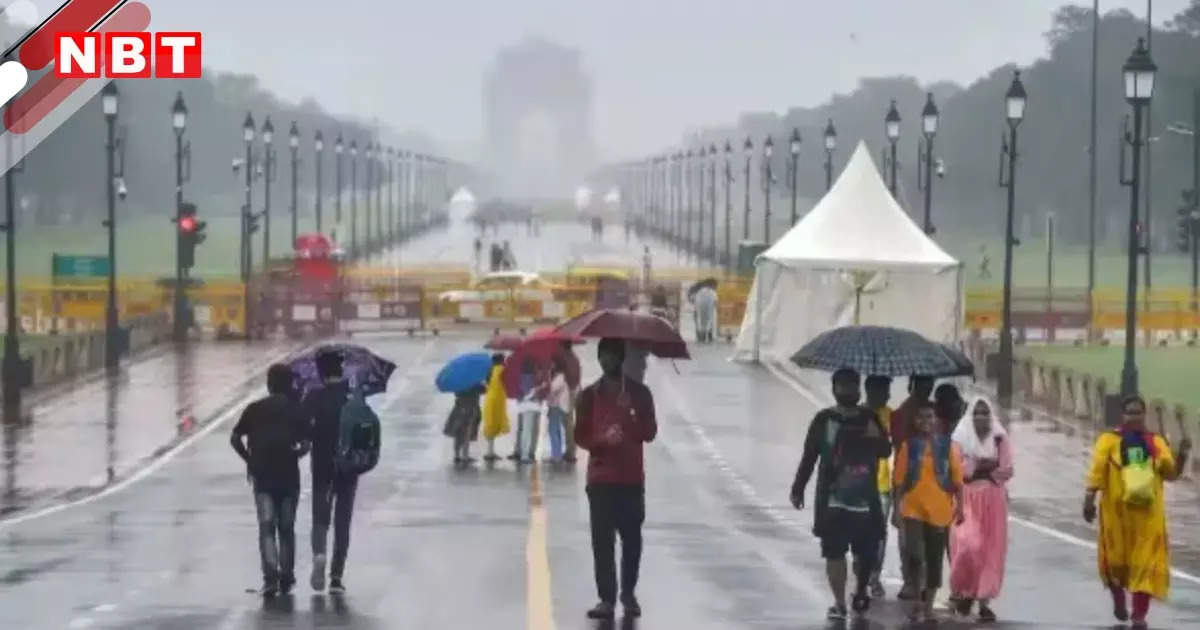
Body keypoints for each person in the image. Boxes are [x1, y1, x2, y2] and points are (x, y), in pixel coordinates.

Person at [790, 368, 891, 620]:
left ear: (860, 389)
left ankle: (859, 590)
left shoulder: (870, 418)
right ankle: (839, 602)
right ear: (834, 389)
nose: (849, 390)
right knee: (834, 552)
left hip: (866, 501)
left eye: (853, 386)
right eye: (844, 386)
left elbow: (885, 451)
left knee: (865, 553)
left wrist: (874, 436)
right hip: (832, 502)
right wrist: (798, 486)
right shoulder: (823, 420)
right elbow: (809, 456)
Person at [1083, 394, 1191, 629]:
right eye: (1130, 412)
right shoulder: (1108, 441)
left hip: (1148, 516)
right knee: (1114, 561)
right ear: (1122, 415)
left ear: (1145, 415)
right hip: (1115, 514)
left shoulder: (1155, 442)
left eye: (1138, 412)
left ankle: (1139, 614)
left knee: (1147, 563)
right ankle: (1119, 600)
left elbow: (1171, 474)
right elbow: (1097, 472)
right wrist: (1089, 498)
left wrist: (1182, 456)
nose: (1134, 417)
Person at [575, 338, 658, 620]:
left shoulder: (640, 393)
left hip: (631, 480)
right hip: (600, 479)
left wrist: (630, 418)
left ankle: (628, 594)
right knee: (602, 542)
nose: (606, 361)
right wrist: (603, 439)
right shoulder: (588, 395)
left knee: (632, 541)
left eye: (611, 356)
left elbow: (650, 432)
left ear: (621, 359)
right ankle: (606, 599)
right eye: (602, 356)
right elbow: (580, 435)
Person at [230, 364, 310, 597]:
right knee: (286, 528)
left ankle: (270, 578)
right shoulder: (296, 410)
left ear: (269, 384)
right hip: (288, 476)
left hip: (262, 475)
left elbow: (235, 438)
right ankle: (287, 575)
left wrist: (249, 459)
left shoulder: (254, 409)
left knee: (267, 527)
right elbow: (306, 444)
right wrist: (295, 454)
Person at [892, 402, 965, 624]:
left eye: (930, 417)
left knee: (934, 560)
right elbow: (899, 483)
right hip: (913, 510)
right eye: (921, 417)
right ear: (915, 422)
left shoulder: (947, 447)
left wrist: (960, 507)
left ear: (937, 421)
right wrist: (897, 510)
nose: (926, 421)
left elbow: (957, 481)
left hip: (940, 511)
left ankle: (929, 606)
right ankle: (916, 601)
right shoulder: (908, 447)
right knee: (915, 556)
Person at [949, 396, 1013, 622]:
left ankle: (984, 599)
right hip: (967, 498)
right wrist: (978, 467)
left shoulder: (999, 438)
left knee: (990, 550)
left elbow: (1005, 469)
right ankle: (964, 591)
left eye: (985, 412)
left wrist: (979, 469)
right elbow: (959, 470)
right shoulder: (960, 438)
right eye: (976, 412)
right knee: (968, 545)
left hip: (993, 500)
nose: (981, 417)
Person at [301, 350, 358, 594]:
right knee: (343, 520)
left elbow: (303, 429)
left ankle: (319, 554)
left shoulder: (313, 397)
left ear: (322, 373)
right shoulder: (352, 396)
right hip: (349, 465)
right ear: (341, 370)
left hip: (322, 463)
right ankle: (336, 576)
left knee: (320, 516)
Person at [888, 374, 934, 600]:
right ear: (912, 385)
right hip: (906, 480)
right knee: (907, 538)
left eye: (929, 382)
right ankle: (909, 580)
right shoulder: (900, 415)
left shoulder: (936, 414)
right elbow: (896, 444)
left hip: (932, 484)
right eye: (922, 383)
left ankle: (925, 581)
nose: (926, 387)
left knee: (929, 537)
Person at [863, 374, 894, 599]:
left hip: (885, 483)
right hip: (860, 483)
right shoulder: (858, 415)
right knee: (860, 532)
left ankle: (874, 576)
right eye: (884, 391)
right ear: (870, 391)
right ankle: (862, 572)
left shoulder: (892, 416)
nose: (888, 395)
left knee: (879, 533)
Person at [444, 382, 485, 464]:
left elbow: (456, 393)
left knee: (458, 432)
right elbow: (484, 390)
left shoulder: (459, 382)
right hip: (471, 410)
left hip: (458, 409)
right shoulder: (475, 382)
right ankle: (465, 455)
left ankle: (457, 455)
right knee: (467, 432)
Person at [481, 353, 510, 462]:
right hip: (499, 400)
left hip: (490, 399)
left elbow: (486, 385)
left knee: (489, 424)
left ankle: (490, 451)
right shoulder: (504, 370)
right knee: (496, 423)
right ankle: (490, 452)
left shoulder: (489, 371)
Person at [545, 364, 571, 462]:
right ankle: (557, 453)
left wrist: (545, 384)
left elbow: (552, 389)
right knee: (556, 431)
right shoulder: (563, 377)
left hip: (557, 406)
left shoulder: (560, 377)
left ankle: (556, 455)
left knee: (553, 430)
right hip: (558, 406)